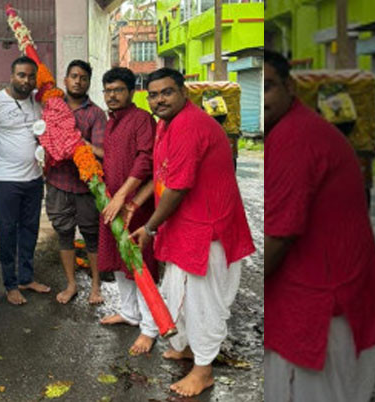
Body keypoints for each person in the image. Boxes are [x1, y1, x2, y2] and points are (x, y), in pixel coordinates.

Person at [262, 49, 375, 402]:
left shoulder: (295, 139)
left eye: (268, 87)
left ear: (290, 88)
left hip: (320, 313)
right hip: (332, 302)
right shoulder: (297, 129)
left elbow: (279, 237)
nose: (260, 99)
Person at [131, 67, 255, 397]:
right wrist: (139, 206)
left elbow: (177, 187)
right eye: (153, 94)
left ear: (184, 93)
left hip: (206, 231)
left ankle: (203, 372)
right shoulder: (166, 124)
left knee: (203, 302)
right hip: (187, 226)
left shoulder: (188, 125)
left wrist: (150, 226)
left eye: (167, 92)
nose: (159, 99)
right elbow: (162, 174)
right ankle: (188, 350)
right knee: (178, 293)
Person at [96, 67, 159, 356]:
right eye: (107, 91)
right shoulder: (112, 122)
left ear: (132, 92)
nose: (111, 96)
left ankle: (150, 327)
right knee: (121, 258)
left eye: (118, 90)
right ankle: (129, 313)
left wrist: (124, 197)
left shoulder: (141, 119)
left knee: (138, 260)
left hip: (136, 205)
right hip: (111, 202)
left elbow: (146, 159)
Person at [0, 56, 51, 305]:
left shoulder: (37, 102)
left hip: (34, 179)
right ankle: (10, 284)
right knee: (8, 232)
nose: (26, 80)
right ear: (11, 76)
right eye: (21, 75)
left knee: (30, 231)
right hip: (6, 180)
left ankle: (26, 277)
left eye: (31, 76)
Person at [45, 59, 106, 305]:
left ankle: (95, 287)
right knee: (64, 235)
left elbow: (103, 152)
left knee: (92, 236)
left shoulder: (96, 114)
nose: (78, 81)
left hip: (87, 188)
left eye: (83, 77)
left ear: (89, 82)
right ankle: (71, 285)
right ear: (66, 80)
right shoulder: (52, 108)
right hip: (58, 182)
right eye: (74, 76)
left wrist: (79, 143)